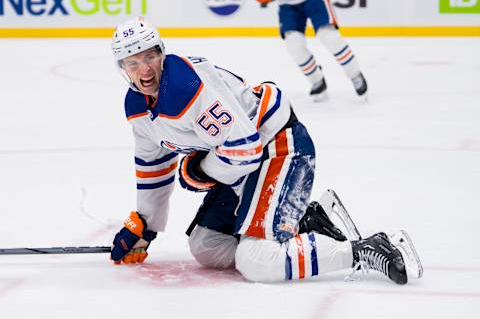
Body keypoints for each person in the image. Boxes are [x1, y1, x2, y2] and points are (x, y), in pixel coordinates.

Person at [109, 16, 420, 285]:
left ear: (162, 54)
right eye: (133, 62)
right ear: (122, 68)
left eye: (149, 57)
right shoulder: (137, 107)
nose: (144, 69)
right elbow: (153, 165)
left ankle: (363, 249)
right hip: (242, 162)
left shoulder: (186, 89)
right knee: (207, 246)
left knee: (256, 260)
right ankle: (302, 223)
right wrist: (145, 226)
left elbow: (244, 149)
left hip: (280, 148)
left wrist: (200, 171)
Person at [257, 0, 368, 100]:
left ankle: (355, 74)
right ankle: (317, 80)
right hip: (287, 5)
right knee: (294, 45)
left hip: (315, 1)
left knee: (330, 37)